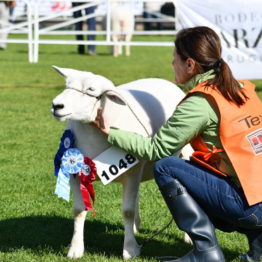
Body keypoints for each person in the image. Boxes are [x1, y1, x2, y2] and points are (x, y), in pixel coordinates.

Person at [93, 26, 262, 262]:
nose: (172, 65)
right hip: (257, 198)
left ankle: (206, 252)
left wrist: (111, 132)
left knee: (167, 165)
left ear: (190, 64)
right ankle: (258, 246)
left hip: (249, 208)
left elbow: (156, 150)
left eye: (174, 60)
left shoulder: (201, 102)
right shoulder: (243, 88)